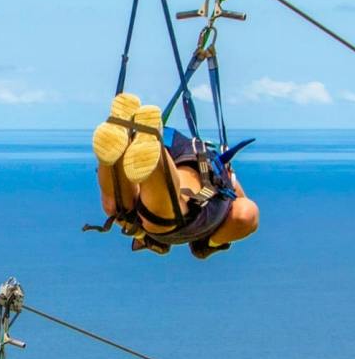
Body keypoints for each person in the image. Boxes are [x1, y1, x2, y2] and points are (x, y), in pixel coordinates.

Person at [91, 92, 259, 257]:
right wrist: (210, 244)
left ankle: (136, 137)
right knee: (122, 209)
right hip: (186, 197)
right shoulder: (196, 229)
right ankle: (150, 144)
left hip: (187, 154)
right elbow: (244, 216)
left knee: (121, 208)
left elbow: (243, 209)